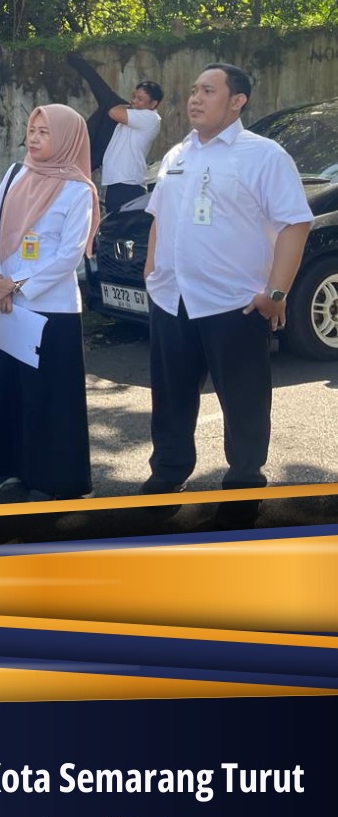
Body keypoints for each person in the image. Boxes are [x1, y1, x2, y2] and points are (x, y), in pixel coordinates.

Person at [141, 63, 312, 525]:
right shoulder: (177, 153)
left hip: (235, 305)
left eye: (208, 90)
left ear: (237, 101)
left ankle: (243, 488)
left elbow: (295, 224)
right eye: (194, 90)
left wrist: (276, 292)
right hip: (172, 300)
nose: (195, 98)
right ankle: (166, 476)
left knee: (243, 405)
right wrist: (151, 272)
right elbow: (159, 217)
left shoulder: (264, 155)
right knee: (170, 399)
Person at [0, 104, 99, 501]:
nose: (33, 138)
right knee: (6, 389)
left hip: (50, 307)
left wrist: (14, 286)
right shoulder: (15, 174)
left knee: (47, 397)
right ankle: (7, 467)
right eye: (32, 130)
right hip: (4, 302)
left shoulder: (79, 190)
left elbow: (69, 255)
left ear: (66, 138)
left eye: (44, 132)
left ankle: (52, 479)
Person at [68, 53, 163, 215]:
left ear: (153, 104)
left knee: (108, 100)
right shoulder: (131, 116)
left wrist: (122, 105)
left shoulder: (151, 118)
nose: (134, 101)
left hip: (129, 185)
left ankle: (80, 64)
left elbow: (112, 111)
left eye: (140, 99)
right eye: (134, 97)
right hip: (115, 184)